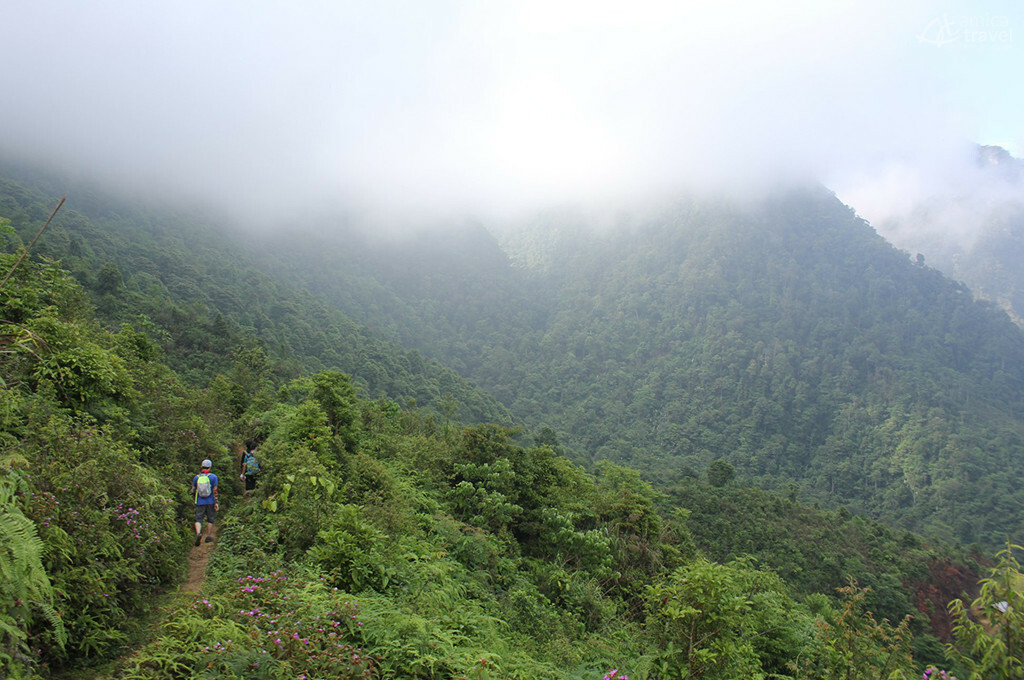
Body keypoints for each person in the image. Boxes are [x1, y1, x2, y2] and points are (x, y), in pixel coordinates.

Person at [191, 458, 219, 547]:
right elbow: (215, 490)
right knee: (210, 518)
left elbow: (193, 490)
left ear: (201, 466)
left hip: (199, 501)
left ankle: (198, 533)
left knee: (198, 518)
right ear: (210, 467)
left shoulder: (197, 477)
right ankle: (208, 536)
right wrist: (216, 502)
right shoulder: (213, 477)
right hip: (210, 501)